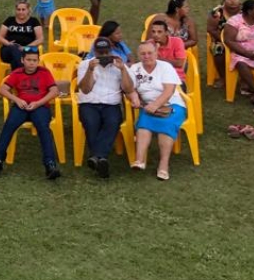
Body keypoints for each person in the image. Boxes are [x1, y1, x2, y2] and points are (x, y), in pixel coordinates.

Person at [0, 47, 62, 180]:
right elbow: (2, 89)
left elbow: (54, 91)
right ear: (22, 60)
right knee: (9, 126)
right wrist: (17, 99)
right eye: (28, 60)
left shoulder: (45, 72)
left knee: (44, 128)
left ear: (38, 60)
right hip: (21, 106)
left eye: (34, 60)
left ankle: (50, 164)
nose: (31, 63)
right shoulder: (17, 73)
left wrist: (39, 103)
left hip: (39, 107)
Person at [129, 41, 188, 181]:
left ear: (156, 53)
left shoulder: (165, 67)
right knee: (143, 125)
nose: (146, 56)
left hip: (171, 104)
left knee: (165, 126)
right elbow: (129, 88)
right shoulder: (135, 68)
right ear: (138, 55)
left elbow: (169, 91)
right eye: (143, 54)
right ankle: (139, 160)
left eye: (150, 53)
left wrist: (155, 105)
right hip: (148, 106)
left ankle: (163, 165)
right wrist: (134, 97)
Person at [77, 37, 135, 178]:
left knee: (113, 122)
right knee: (91, 123)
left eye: (106, 52)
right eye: (100, 53)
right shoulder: (85, 65)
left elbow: (128, 89)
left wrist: (123, 70)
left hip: (111, 104)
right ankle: (101, 158)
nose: (103, 56)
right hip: (89, 102)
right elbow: (85, 89)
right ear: (94, 52)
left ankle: (96, 157)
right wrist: (90, 70)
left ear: (111, 51)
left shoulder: (120, 65)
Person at [0, 0, 44, 69]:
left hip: (28, 50)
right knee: (15, 49)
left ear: (28, 10)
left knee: (15, 59)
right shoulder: (10, 20)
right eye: (18, 9)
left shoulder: (34, 21)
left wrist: (26, 47)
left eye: (23, 9)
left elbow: (40, 39)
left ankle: (17, 76)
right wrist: (8, 44)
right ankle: (22, 74)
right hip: (9, 49)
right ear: (15, 10)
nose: (20, 12)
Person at [209, 0, 241, 87]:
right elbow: (211, 29)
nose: (232, 1)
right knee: (218, 49)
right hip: (221, 40)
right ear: (224, 1)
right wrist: (225, 41)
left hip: (242, 40)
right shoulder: (217, 12)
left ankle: (245, 80)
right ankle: (223, 78)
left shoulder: (245, 11)